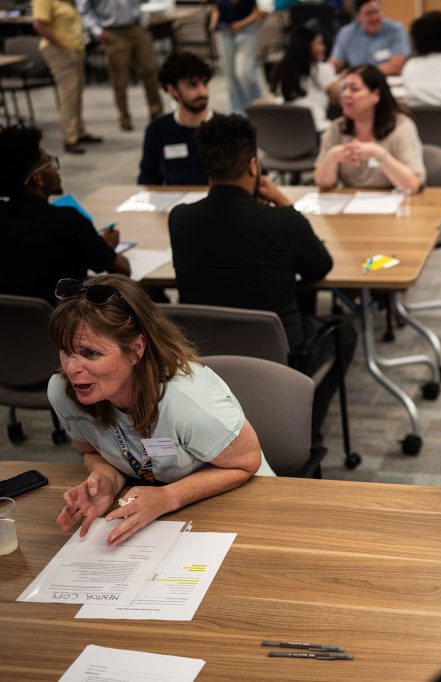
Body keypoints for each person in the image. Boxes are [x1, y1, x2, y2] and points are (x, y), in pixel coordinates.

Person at [48, 274, 272, 546]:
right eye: (65, 351)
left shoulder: (186, 400)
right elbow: (91, 450)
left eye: (89, 353)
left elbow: (247, 461)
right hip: (161, 515)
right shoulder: (65, 393)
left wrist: (168, 497)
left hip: (244, 502)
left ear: (135, 349)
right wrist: (107, 477)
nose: (71, 369)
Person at [169, 114, 353, 436]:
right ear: (253, 166)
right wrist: (284, 204)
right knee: (346, 331)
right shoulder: (282, 223)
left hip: (202, 353)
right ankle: (305, 426)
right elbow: (319, 267)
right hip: (276, 354)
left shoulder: (180, 219)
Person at [0, 125, 130, 304]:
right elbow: (123, 270)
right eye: (50, 163)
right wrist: (105, 246)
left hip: (12, 328)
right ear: (38, 178)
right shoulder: (67, 221)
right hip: (66, 326)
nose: (56, 168)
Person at [313, 65, 424, 192]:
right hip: (350, 204)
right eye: (343, 88)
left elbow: (412, 185)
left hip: (394, 204)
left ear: (376, 95)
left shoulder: (402, 126)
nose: (346, 94)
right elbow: (322, 182)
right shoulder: (336, 128)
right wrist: (332, 157)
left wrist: (378, 154)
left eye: (354, 89)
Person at [77, 0, 164, 131]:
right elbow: (83, 10)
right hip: (113, 32)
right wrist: (97, 31)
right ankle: (124, 117)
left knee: (149, 70)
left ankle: (156, 113)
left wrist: (143, 19)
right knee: (120, 78)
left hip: (136, 27)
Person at [32, 0, 102, 154]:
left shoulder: (65, 1)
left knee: (77, 92)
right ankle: (70, 138)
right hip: (59, 51)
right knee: (68, 95)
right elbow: (39, 25)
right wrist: (62, 44)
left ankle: (79, 131)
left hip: (75, 50)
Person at [138, 52, 213, 185]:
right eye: (192, 85)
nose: (202, 92)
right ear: (172, 89)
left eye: (204, 84)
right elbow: (148, 181)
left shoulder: (226, 129)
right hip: (173, 202)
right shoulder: (157, 130)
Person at [269, 24, 339, 132]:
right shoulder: (321, 69)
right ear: (307, 46)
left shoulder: (281, 70)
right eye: (319, 43)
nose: (324, 48)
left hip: (284, 134)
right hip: (316, 131)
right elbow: (340, 97)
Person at [208, 0, 263, 114]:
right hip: (224, 31)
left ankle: (258, 105)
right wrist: (214, 21)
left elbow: (257, 12)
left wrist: (242, 23)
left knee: (244, 72)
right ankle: (238, 111)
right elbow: (215, 7)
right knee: (230, 75)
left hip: (245, 30)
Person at [328, 0, 410, 76]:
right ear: (358, 17)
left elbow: (396, 66)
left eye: (377, 11)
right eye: (368, 13)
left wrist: (358, 73)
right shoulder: (346, 33)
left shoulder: (396, 30)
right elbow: (335, 63)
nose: (374, 18)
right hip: (357, 84)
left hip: (388, 81)